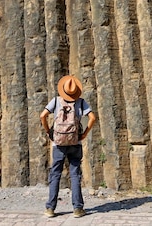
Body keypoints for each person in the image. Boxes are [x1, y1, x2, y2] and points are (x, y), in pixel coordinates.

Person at [40, 75, 97, 218]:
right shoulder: (81, 102)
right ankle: (77, 209)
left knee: (55, 174)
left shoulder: (56, 101)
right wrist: (84, 134)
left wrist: (48, 131)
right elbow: (92, 118)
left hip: (58, 143)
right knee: (75, 174)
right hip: (75, 142)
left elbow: (43, 115)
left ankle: (50, 208)